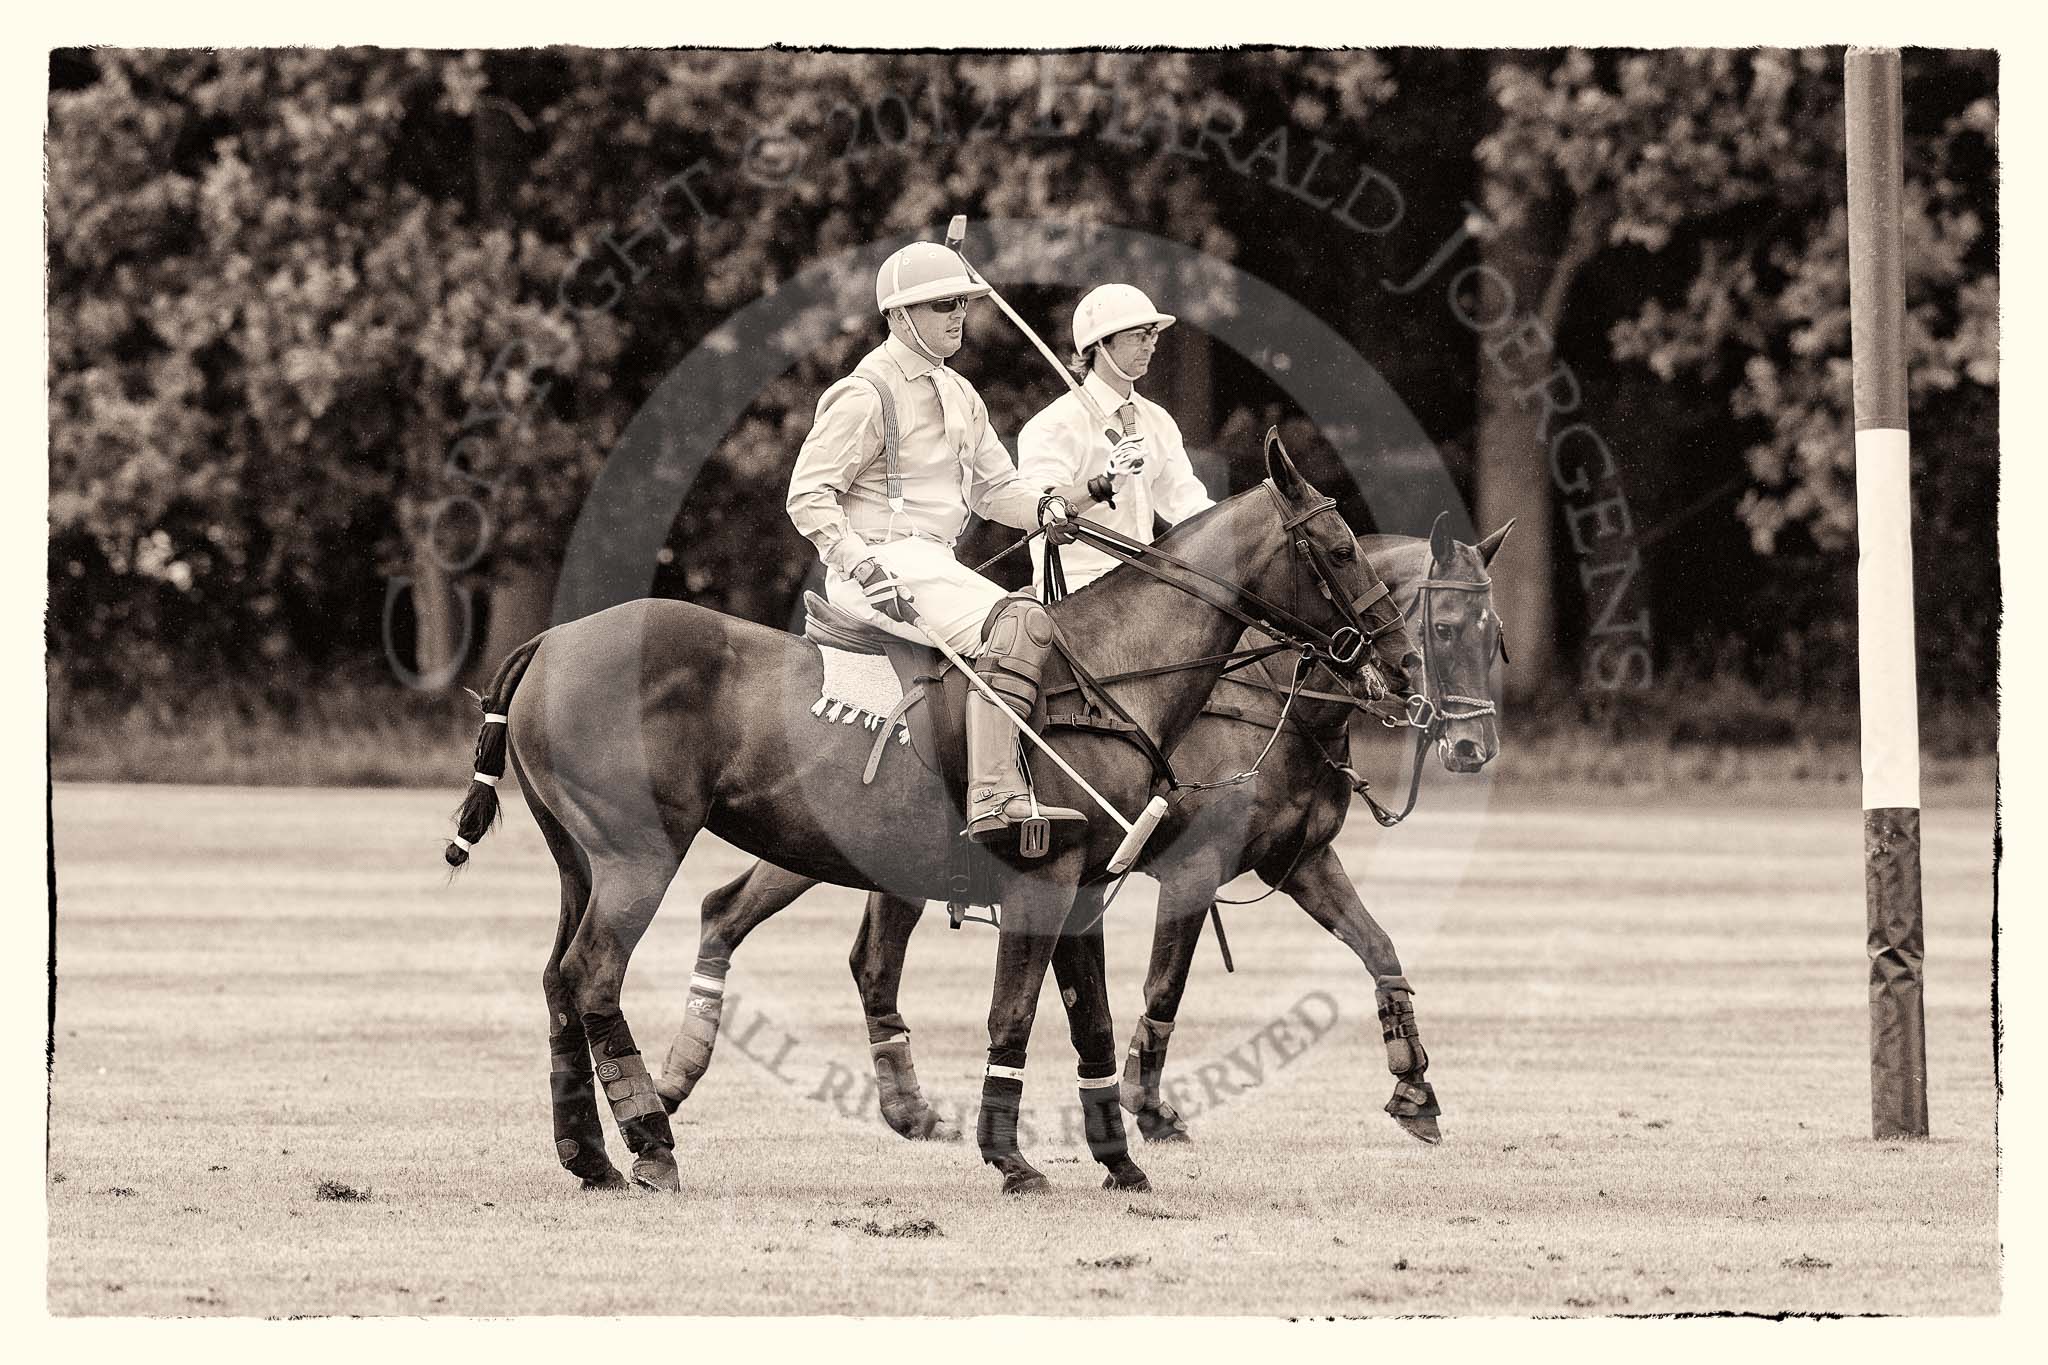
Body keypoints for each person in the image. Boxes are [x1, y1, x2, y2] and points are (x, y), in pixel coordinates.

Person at [786, 240, 1145, 845]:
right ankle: (994, 796)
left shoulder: (960, 393)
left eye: (963, 303)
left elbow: (997, 490)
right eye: (944, 305)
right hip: (875, 566)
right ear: (901, 316)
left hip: (932, 564)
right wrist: (861, 564)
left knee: (1041, 617)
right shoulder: (865, 393)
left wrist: (1063, 500)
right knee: (1020, 625)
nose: (959, 315)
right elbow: (808, 495)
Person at [1018, 284, 1216, 599]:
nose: (1150, 346)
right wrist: (1104, 484)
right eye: (1138, 336)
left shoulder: (1157, 421)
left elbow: (1188, 506)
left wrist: (1241, 529)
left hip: (1146, 588)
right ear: (1101, 344)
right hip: (1078, 593)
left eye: (1152, 335)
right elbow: (1037, 510)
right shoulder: (1053, 425)